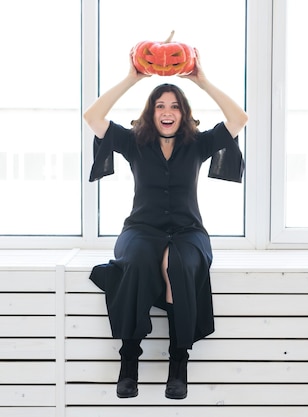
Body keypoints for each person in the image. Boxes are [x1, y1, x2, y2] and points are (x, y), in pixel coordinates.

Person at [83, 49, 248, 400]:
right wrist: (133, 78)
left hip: (189, 232)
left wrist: (201, 81)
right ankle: (129, 362)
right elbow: (92, 116)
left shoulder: (197, 144)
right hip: (140, 230)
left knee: (179, 263)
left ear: (183, 113)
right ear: (151, 112)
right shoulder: (134, 142)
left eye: (174, 106)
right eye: (160, 105)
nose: (167, 112)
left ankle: (178, 363)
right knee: (141, 260)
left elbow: (239, 117)